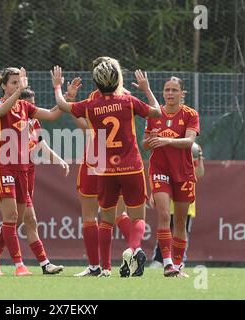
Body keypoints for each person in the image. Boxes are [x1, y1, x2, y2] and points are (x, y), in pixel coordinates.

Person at [52, 59, 162, 278]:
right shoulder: (128, 99)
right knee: (135, 216)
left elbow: (65, 108)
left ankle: (104, 267)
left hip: (105, 168)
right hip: (130, 166)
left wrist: (58, 87)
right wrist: (148, 89)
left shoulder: (93, 104)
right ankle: (130, 250)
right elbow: (156, 112)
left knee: (106, 218)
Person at [0, 67, 69, 276]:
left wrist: (64, 93)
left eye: (19, 82)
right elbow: (2, 112)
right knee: (12, 216)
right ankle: (19, 265)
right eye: (12, 82)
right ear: (4, 85)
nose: (17, 85)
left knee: (25, 219)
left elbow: (52, 114)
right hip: (2, 167)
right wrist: (17, 92)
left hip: (23, 170)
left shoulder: (25, 107)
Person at [71, 57, 133, 278]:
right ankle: (134, 250)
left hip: (95, 159)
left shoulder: (94, 99)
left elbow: (87, 127)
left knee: (90, 216)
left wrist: (68, 100)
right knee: (118, 214)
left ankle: (98, 267)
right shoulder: (127, 98)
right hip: (122, 162)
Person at [143, 76, 200, 277]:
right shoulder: (154, 113)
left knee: (180, 221)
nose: (170, 93)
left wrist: (165, 140)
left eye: (174, 90)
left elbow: (189, 141)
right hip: (159, 169)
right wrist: (151, 139)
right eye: (167, 89)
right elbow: (145, 143)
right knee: (164, 215)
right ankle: (167, 263)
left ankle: (178, 265)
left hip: (183, 172)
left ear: (182, 93)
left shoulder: (191, 114)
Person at [149, 142, 205, 268]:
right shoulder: (168, 145)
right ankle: (159, 259)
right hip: (168, 196)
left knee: (182, 228)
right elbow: (160, 173)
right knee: (165, 227)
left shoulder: (192, 147)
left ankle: (179, 260)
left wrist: (199, 158)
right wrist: (154, 193)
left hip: (185, 196)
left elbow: (199, 173)